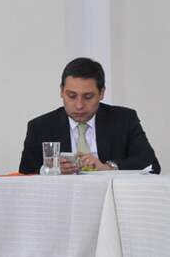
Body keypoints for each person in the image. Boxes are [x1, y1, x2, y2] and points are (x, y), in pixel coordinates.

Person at [18, 57, 161, 174]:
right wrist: (50, 170)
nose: (79, 105)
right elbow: (25, 173)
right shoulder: (40, 127)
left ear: (102, 93)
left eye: (88, 97)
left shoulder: (124, 119)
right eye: (72, 96)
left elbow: (151, 165)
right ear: (61, 91)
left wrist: (108, 167)